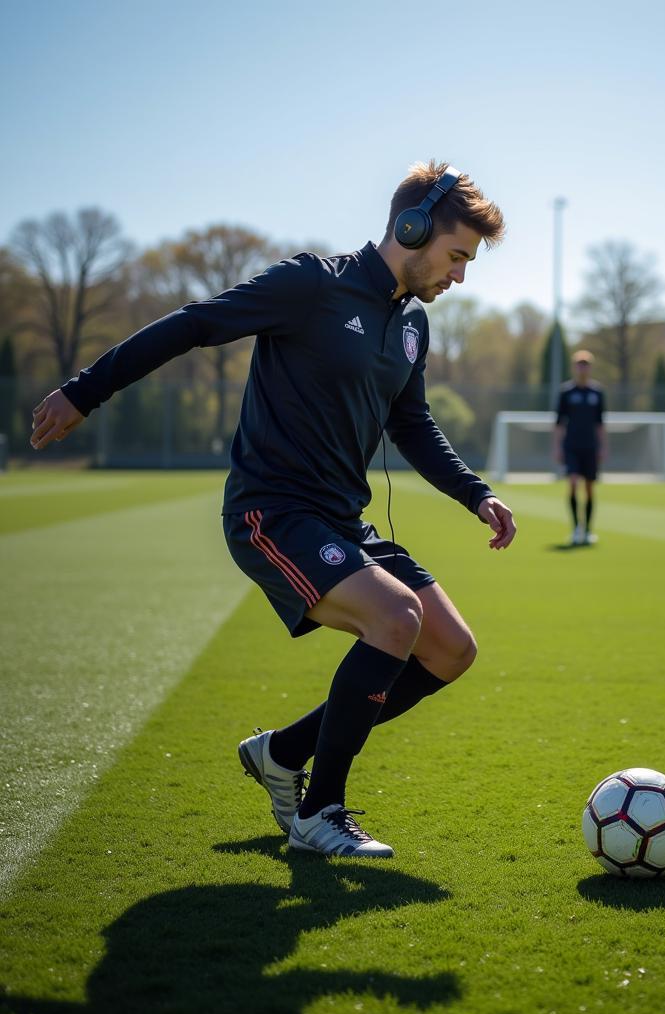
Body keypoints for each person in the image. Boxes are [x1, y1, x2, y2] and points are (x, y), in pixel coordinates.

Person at [30, 160, 517, 858]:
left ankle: (282, 753)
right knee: (396, 618)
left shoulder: (414, 324)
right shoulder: (312, 285)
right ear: (412, 230)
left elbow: (412, 425)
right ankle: (322, 813)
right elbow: (195, 324)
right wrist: (85, 391)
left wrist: (478, 492)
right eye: (457, 256)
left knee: (450, 649)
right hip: (272, 513)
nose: (461, 276)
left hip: (343, 521)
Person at [553, 350, 606, 545]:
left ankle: (588, 530)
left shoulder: (597, 392)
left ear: (590, 367)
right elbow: (559, 422)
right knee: (573, 483)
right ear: (575, 367)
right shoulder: (566, 392)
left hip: (590, 447)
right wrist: (557, 447)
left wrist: (602, 447)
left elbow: (600, 423)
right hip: (572, 446)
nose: (582, 367)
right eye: (579, 364)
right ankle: (576, 527)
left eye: (586, 364)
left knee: (590, 488)